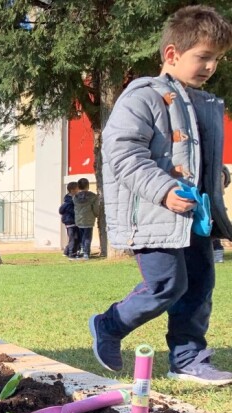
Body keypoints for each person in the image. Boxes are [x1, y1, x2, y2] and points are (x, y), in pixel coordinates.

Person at [90, 5, 232, 384]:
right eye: (203, 57)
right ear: (172, 54)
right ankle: (108, 325)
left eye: (216, 60)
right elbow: (122, 153)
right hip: (155, 214)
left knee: (201, 284)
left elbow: (192, 157)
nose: (210, 67)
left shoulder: (203, 103)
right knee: (167, 285)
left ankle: (187, 358)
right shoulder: (143, 96)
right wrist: (165, 189)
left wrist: (215, 177)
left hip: (193, 216)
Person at [72, 177, 99, 259]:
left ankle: (81, 251)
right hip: (89, 219)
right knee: (87, 237)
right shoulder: (93, 196)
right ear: (88, 186)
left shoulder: (75, 197)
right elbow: (95, 208)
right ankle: (86, 253)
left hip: (79, 220)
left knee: (81, 236)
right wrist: (96, 214)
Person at [59, 181, 81, 257]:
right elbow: (70, 211)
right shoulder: (69, 201)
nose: (79, 191)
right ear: (72, 190)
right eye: (77, 189)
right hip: (70, 222)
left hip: (75, 221)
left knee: (76, 237)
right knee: (73, 238)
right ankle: (71, 253)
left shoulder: (73, 199)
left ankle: (67, 251)